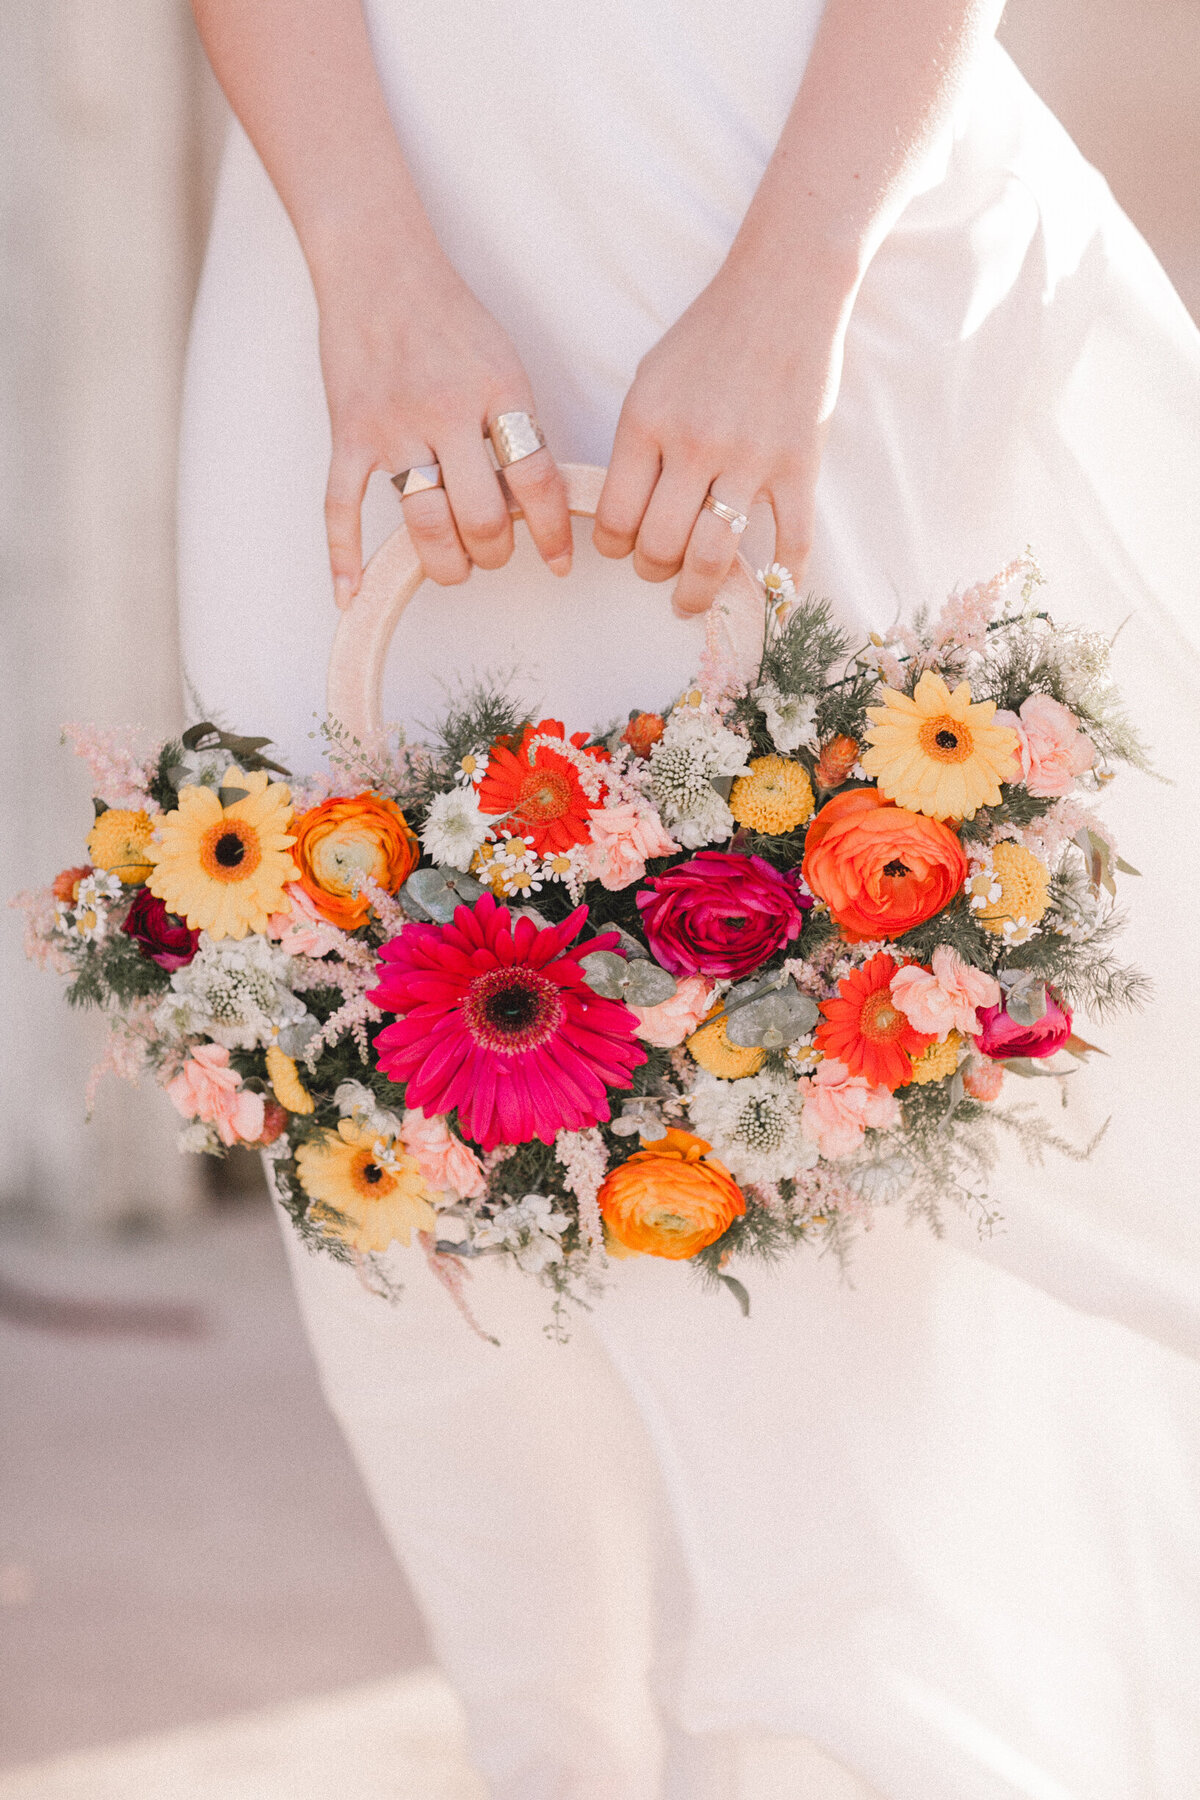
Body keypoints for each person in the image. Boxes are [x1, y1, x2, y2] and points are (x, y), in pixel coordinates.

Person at [179, 3, 1200, 1795]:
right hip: (359, 222)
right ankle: (540, 1747)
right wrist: (368, 259)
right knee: (378, 1082)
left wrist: (792, 283)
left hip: (805, 211)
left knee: (864, 1128)